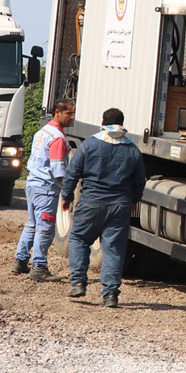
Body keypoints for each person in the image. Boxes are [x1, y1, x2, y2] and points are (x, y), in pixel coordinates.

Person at [60, 107, 146, 308]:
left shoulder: (89, 145)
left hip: (91, 202)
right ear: (122, 124)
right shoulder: (132, 150)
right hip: (120, 205)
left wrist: (66, 196)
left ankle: (79, 283)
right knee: (114, 249)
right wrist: (134, 199)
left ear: (103, 121)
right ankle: (110, 295)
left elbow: (73, 173)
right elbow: (140, 181)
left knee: (79, 239)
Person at [14, 98, 76, 281]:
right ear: (58, 112)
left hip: (33, 183)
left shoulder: (43, 132)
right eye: (69, 113)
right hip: (46, 187)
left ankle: (21, 260)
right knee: (45, 228)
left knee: (32, 223)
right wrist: (67, 190)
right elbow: (58, 169)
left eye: (73, 113)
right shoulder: (57, 137)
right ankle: (39, 266)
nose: (72, 117)